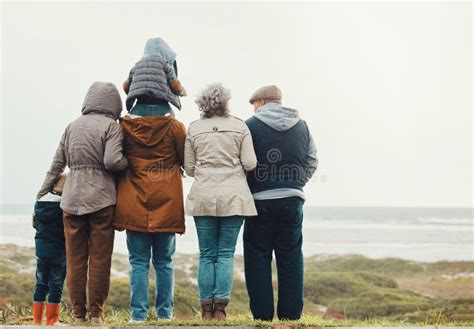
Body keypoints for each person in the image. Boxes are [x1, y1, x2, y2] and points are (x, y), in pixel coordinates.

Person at [36, 82, 128, 324]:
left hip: (72, 200)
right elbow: (112, 161)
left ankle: (78, 315)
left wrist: (41, 195)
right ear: (114, 105)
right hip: (102, 200)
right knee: (100, 259)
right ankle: (96, 314)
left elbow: (56, 165)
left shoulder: (72, 127)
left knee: (75, 259)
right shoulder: (112, 127)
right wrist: (126, 164)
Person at [113, 81, 186, 322]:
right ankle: (165, 314)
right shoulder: (175, 127)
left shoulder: (124, 127)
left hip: (133, 200)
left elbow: (116, 159)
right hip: (167, 201)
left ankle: (138, 316)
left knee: (138, 262)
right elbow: (185, 160)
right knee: (165, 261)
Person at [243, 85, 318, 321]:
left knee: (257, 257)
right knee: (291, 257)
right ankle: (290, 318)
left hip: (260, 201)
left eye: (255, 105)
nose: (254, 110)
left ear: (262, 103)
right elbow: (312, 160)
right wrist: (296, 182)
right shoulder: (302, 125)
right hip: (292, 200)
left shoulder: (250, 126)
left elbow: (243, 162)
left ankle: (263, 318)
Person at [184, 83, 257, 321]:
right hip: (234, 196)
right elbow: (250, 163)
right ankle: (221, 310)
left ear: (201, 103)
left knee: (206, 254)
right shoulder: (239, 126)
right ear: (226, 101)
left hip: (203, 194)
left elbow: (190, 168)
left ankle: (205, 310)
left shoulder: (194, 128)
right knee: (226, 253)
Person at [32, 174, 67, 326]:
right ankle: (52, 320)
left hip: (41, 251)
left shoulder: (39, 202)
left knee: (40, 284)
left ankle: (37, 320)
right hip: (58, 251)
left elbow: (35, 224)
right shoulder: (64, 205)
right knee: (56, 284)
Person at [123, 37, 187, 116]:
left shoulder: (136, 66)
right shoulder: (165, 64)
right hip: (161, 106)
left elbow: (126, 87)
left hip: (140, 106)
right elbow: (175, 85)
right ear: (165, 52)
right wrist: (182, 91)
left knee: (131, 125)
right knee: (172, 125)